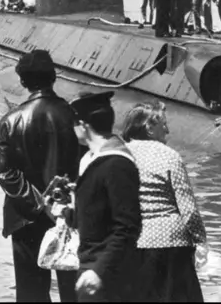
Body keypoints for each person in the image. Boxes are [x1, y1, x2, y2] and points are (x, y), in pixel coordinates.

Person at [0, 50, 81, 302]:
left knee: (31, 292)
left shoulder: (9, 121)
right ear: (54, 77)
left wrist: (40, 204)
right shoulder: (75, 117)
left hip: (26, 218)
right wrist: (57, 205)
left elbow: (6, 174)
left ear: (22, 81)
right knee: (74, 292)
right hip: (70, 214)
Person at [122, 101, 206, 302]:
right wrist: (200, 240)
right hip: (172, 243)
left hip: (133, 242)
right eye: (164, 125)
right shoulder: (169, 156)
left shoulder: (119, 155)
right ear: (149, 128)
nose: (168, 130)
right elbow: (188, 209)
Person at [69, 92, 142, 302]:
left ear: (83, 125)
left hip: (108, 276)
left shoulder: (116, 164)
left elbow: (128, 227)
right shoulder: (93, 160)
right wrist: (67, 213)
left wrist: (99, 271)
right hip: (92, 267)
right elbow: (95, 217)